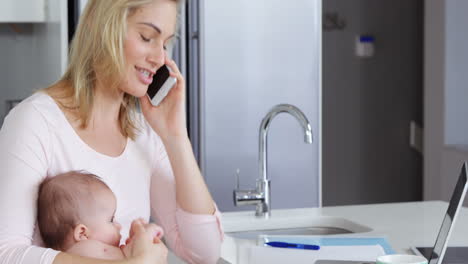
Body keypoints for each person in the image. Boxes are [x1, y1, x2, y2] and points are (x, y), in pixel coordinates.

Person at [0, 0, 224, 263]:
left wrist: (176, 136)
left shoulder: (144, 135)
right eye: (146, 37)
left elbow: (205, 252)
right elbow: (7, 253)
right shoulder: (36, 121)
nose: (159, 58)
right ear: (104, 29)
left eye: (164, 43)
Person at [37, 171, 164, 261]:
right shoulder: (86, 250)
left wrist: (134, 241)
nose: (119, 226)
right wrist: (145, 235)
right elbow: (131, 259)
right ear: (82, 233)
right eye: (111, 220)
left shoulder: (78, 254)